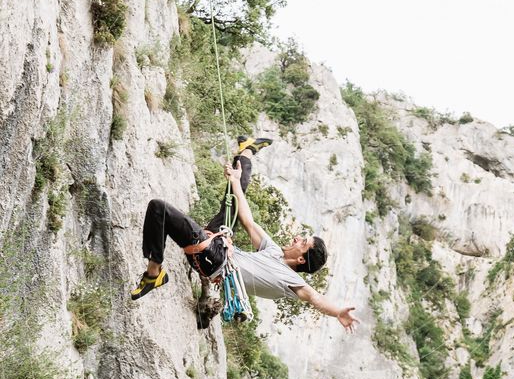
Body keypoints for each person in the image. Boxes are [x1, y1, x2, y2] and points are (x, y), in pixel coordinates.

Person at [130, 136, 360, 333]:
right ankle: (247, 150)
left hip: (214, 259)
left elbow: (315, 299)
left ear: (302, 259)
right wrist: (236, 183)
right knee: (233, 199)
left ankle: (154, 275)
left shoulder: (292, 281)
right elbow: (248, 220)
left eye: (303, 242)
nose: (297, 238)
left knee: (158, 208)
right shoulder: (273, 250)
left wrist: (338, 311)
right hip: (219, 245)